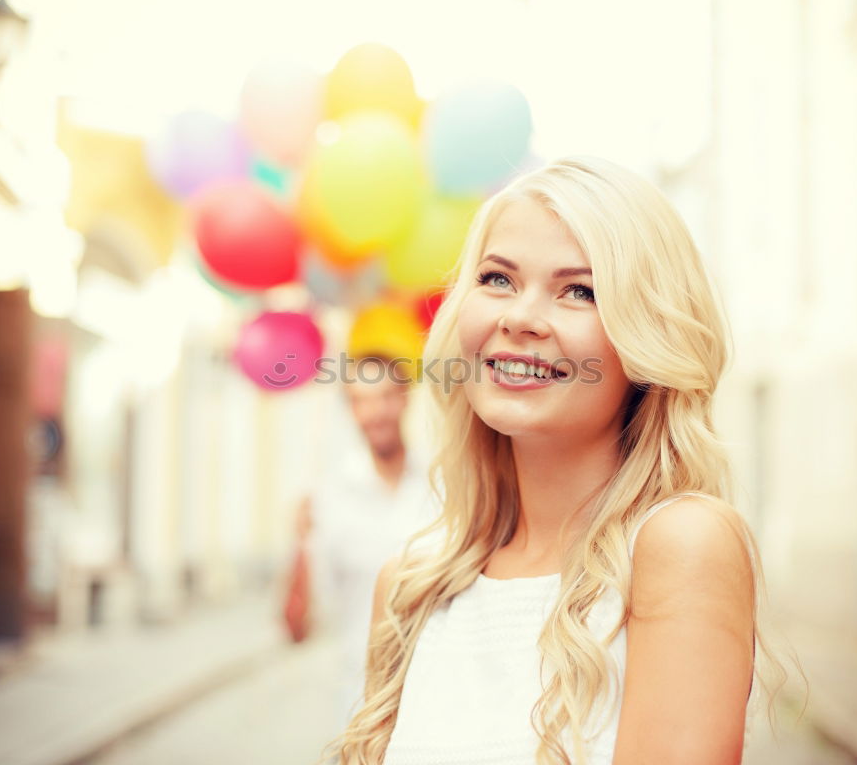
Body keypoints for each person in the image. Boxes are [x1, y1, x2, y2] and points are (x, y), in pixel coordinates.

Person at [317, 156, 798, 765]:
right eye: (496, 279)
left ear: (645, 338)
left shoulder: (679, 547)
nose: (519, 318)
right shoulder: (407, 590)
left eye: (579, 290)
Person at [285, 353, 441, 728]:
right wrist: (301, 545)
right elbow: (297, 628)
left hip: (439, 697)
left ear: (405, 398)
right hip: (361, 703)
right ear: (350, 411)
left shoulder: (446, 487)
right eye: (362, 401)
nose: (376, 413)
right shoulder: (328, 500)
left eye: (385, 396)